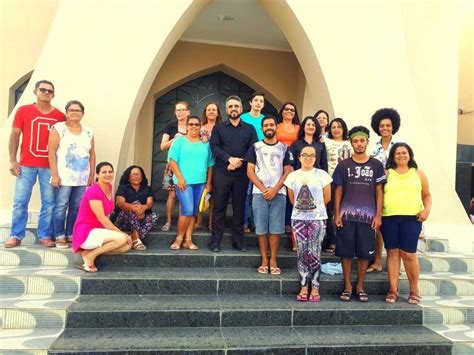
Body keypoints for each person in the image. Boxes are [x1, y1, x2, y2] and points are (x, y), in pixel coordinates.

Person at [5, 80, 66, 248]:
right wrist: (12, 160)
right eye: (43, 90)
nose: (46, 93)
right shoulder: (24, 111)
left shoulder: (60, 116)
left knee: (49, 203)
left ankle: (45, 235)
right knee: (20, 201)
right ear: (35, 91)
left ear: (53, 95)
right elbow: (15, 136)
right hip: (26, 165)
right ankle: (16, 235)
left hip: (49, 167)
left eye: (50, 91)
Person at [333, 126, 386, 302]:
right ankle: (347, 285)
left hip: (368, 217)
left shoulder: (376, 165)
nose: (359, 144)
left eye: (362, 140)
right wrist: (337, 213)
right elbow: (338, 190)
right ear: (351, 142)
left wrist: (378, 215)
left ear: (367, 141)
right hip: (346, 216)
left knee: (365, 253)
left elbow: (379, 191)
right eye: (355, 140)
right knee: (346, 252)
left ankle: (360, 285)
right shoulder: (343, 165)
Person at [381, 143, 431, 304]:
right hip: (389, 218)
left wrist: (426, 211)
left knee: (409, 254)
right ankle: (393, 290)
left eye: (404, 153)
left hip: (412, 219)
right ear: (393, 156)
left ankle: (414, 290)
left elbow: (427, 195)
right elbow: (379, 196)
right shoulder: (387, 174)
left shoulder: (418, 174)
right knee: (392, 253)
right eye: (398, 153)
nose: (401, 155)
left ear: (410, 155)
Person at [209, 95, 258, 252]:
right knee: (219, 207)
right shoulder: (219, 128)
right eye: (230, 106)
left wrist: (239, 162)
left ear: (241, 109)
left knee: (239, 208)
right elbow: (214, 147)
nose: (233, 109)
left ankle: (238, 242)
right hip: (222, 173)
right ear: (226, 110)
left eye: (236, 106)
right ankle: (215, 241)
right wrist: (229, 159)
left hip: (242, 174)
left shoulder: (250, 129)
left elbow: (253, 148)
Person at [284, 146, 332, 302]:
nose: (308, 158)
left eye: (311, 155)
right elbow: (292, 199)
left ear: (315, 157)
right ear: (299, 157)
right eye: (304, 155)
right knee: (302, 253)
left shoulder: (322, 175)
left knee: (314, 251)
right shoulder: (293, 176)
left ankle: (315, 286)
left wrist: (314, 210)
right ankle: (304, 285)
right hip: (298, 218)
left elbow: (327, 197)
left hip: (317, 218)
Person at [246, 115, 293, 275]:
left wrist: (274, 189)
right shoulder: (255, 147)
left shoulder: (285, 148)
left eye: (271, 125)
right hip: (259, 193)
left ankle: (273, 259)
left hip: (279, 194)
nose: (269, 128)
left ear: (276, 127)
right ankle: (264, 260)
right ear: (262, 129)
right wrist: (264, 188)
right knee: (261, 228)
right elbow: (250, 171)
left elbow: (288, 171)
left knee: (276, 228)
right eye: (266, 125)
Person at [48, 100, 95, 249]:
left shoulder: (88, 131)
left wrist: (91, 175)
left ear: (83, 113)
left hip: (82, 177)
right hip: (64, 177)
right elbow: (51, 152)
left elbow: (92, 154)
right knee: (61, 206)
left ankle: (71, 234)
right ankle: (60, 236)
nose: (75, 112)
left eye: (78, 110)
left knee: (76, 207)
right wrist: (54, 174)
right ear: (67, 112)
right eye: (71, 110)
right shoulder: (59, 128)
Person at [73, 162, 132, 272]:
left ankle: (89, 252)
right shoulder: (93, 190)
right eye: (104, 172)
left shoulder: (108, 187)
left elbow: (106, 217)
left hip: (98, 230)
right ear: (97, 174)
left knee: (127, 246)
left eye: (110, 172)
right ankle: (90, 257)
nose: (107, 174)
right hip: (86, 232)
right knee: (123, 238)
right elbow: (101, 218)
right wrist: (121, 232)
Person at [168, 115, 214, 250]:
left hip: (200, 183)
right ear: (186, 126)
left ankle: (188, 240)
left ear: (200, 127)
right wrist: (180, 178)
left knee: (194, 211)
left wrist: (209, 183)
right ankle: (179, 238)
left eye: (196, 124)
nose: (194, 126)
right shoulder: (179, 142)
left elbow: (210, 165)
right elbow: (172, 161)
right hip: (183, 183)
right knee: (187, 210)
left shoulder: (206, 145)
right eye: (191, 124)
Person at [367, 108, 401, 273]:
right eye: (382, 126)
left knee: (396, 227)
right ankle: (378, 261)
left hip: (396, 192)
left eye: (388, 125)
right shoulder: (373, 149)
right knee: (378, 227)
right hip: (379, 190)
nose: (385, 128)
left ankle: (396, 264)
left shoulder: (399, 147)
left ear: (393, 126)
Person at [323, 117, 352, 253]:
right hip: (330, 181)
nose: (336, 129)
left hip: (348, 182)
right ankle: (333, 241)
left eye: (339, 127)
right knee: (331, 212)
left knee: (345, 211)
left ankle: (346, 241)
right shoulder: (326, 141)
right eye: (333, 127)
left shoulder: (350, 143)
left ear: (344, 129)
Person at [160, 101, 189, 232]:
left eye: (182, 110)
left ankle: (184, 222)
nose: (180, 112)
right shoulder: (170, 127)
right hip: (172, 164)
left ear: (188, 112)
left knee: (187, 194)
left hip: (188, 166)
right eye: (177, 110)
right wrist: (175, 139)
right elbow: (162, 146)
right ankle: (168, 221)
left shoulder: (192, 126)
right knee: (172, 195)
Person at [114, 165, 159, 251]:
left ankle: (132, 237)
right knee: (131, 209)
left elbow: (150, 202)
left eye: (139, 174)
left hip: (141, 218)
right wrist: (134, 208)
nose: (137, 176)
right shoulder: (123, 188)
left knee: (154, 216)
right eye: (134, 174)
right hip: (124, 219)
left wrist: (143, 207)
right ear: (128, 177)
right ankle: (136, 239)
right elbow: (120, 203)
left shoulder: (147, 188)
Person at [241, 92, 266, 234]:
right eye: (255, 100)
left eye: (261, 101)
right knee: (246, 194)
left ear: (263, 104)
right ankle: (245, 222)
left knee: (258, 193)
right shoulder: (243, 118)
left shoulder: (265, 119)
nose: (258, 103)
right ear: (250, 102)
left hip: (261, 163)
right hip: (245, 161)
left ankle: (255, 222)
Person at [195, 102, 222, 230]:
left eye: (214, 110)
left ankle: (212, 223)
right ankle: (198, 221)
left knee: (214, 196)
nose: (211, 111)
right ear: (205, 112)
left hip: (218, 165)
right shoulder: (199, 127)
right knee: (201, 194)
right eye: (208, 109)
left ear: (217, 113)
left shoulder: (222, 127)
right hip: (201, 165)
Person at [276, 102, 301, 236]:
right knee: (280, 193)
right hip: (278, 163)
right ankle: (280, 222)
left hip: (295, 164)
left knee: (292, 193)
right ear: (282, 111)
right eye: (286, 109)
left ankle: (289, 222)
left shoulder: (299, 128)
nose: (289, 111)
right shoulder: (277, 126)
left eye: (292, 109)